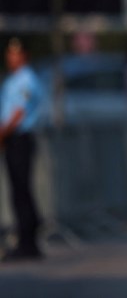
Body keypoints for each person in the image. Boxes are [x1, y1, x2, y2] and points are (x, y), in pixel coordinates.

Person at [0, 38, 44, 261]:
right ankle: (26, 239)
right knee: (17, 190)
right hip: (12, 140)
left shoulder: (27, 79)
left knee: (22, 189)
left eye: (16, 54)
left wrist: (2, 133)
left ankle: (29, 241)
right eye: (10, 54)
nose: (12, 58)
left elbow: (18, 113)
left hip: (20, 139)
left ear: (25, 55)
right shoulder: (13, 79)